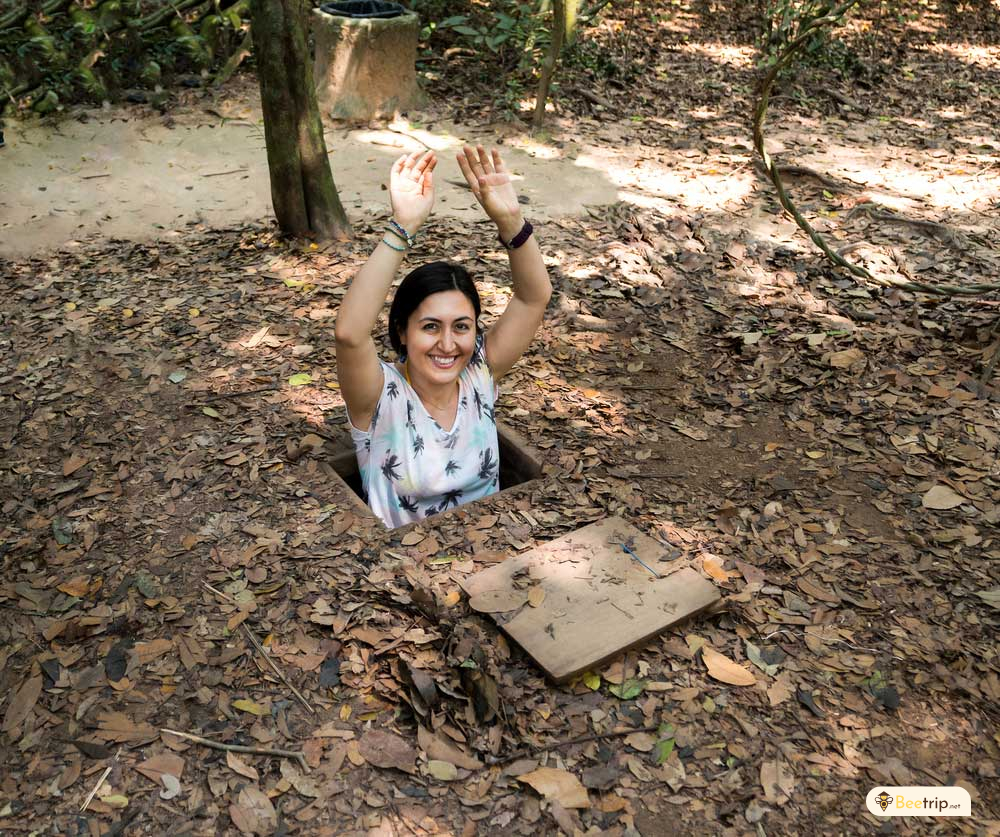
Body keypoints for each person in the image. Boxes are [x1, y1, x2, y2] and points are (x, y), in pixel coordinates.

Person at [334, 145, 551, 528]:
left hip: (493, 556)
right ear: (402, 330)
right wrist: (402, 228)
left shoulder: (479, 375)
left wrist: (512, 222)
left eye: (461, 327)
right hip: (402, 575)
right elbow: (350, 334)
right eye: (430, 326)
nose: (448, 345)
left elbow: (534, 298)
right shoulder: (379, 397)